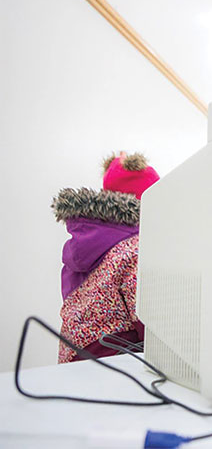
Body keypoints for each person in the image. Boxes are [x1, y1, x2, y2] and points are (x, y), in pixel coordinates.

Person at [52, 152, 160, 363]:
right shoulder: (135, 249)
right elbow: (149, 321)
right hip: (119, 365)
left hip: (73, 364)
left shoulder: (81, 253)